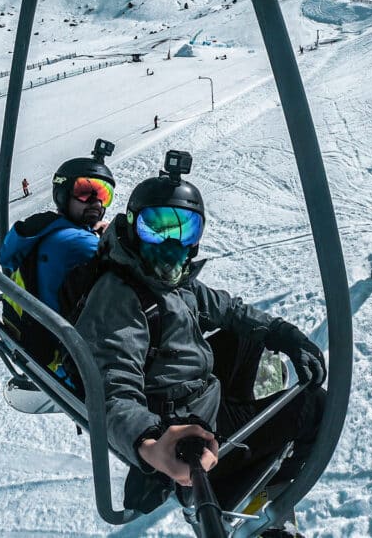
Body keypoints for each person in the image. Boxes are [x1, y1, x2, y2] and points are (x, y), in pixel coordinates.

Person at [74, 151, 326, 531]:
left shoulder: (168, 279)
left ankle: (242, 423)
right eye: (155, 227)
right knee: (313, 406)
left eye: (185, 230)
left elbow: (228, 309)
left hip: (197, 388)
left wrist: (283, 335)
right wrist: (150, 442)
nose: (170, 242)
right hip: (185, 425)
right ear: (131, 228)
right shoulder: (119, 297)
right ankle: (242, 491)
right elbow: (112, 389)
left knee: (245, 337)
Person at [0, 140, 116, 367]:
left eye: (103, 194)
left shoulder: (47, 229)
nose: (95, 202)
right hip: (68, 363)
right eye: (84, 192)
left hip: (43, 346)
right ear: (62, 194)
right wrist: (109, 237)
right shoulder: (77, 243)